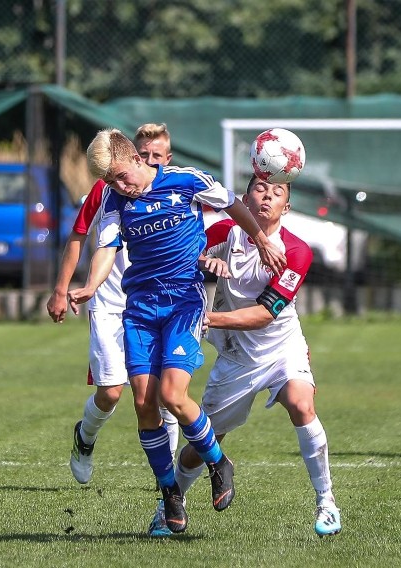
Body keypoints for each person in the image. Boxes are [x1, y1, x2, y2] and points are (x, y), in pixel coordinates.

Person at [68, 128, 287, 534]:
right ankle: (170, 492)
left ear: (136, 158)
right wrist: (91, 286)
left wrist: (260, 240)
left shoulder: (186, 180)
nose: (118, 186)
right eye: (110, 182)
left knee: (172, 395)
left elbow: (233, 204)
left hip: (183, 303)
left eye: (120, 176)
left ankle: (218, 462)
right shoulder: (116, 200)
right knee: (144, 404)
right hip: (139, 311)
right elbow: (105, 248)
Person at [146, 174, 342, 538]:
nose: (267, 196)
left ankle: (326, 502)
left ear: (288, 205)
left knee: (302, 405)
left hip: (282, 346)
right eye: (260, 189)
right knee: (204, 443)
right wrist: (206, 263)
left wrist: (209, 318)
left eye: (277, 192)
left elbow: (267, 313)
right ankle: (170, 505)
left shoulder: (296, 251)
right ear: (245, 198)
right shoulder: (224, 231)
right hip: (236, 357)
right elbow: (186, 258)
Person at [46, 124, 180, 486]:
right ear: (131, 155)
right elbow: (78, 236)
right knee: (110, 391)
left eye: (158, 157)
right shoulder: (107, 191)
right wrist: (61, 289)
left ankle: (166, 485)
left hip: (156, 301)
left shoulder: (176, 190)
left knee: (165, 393)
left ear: (165, 160)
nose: (149, 161)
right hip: (110, 299)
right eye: (144, 154)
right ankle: (84, 438)